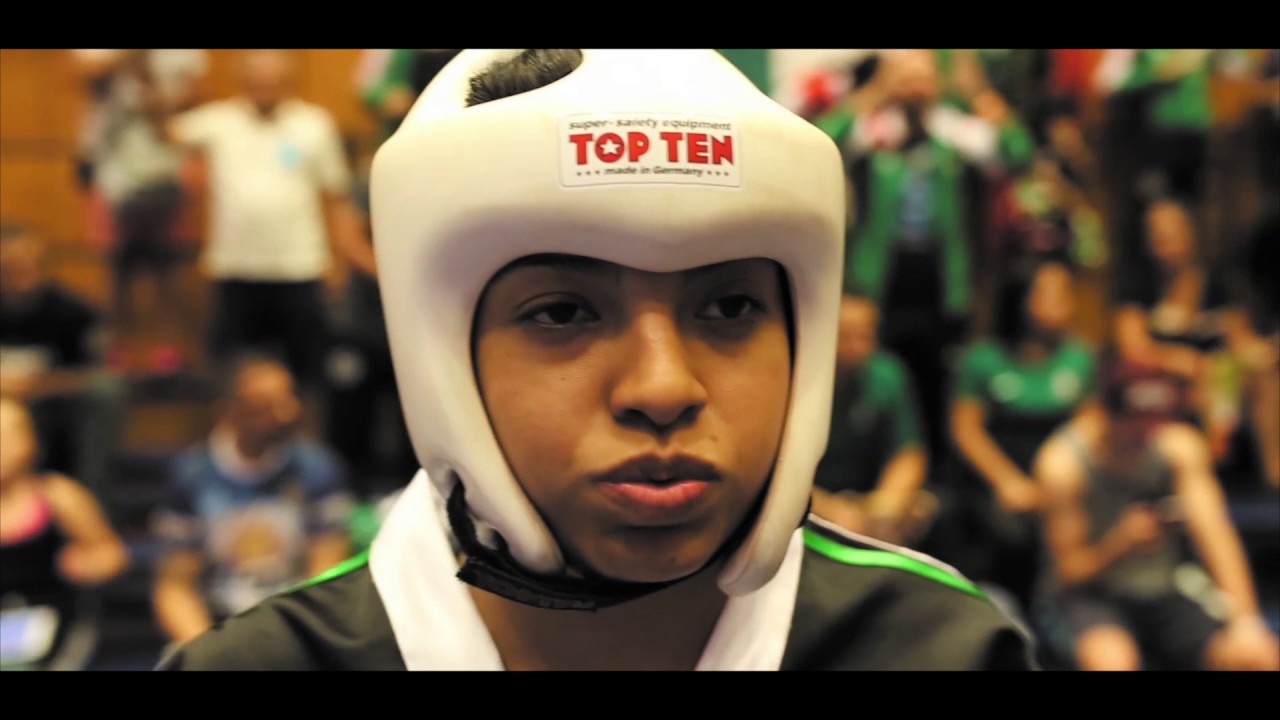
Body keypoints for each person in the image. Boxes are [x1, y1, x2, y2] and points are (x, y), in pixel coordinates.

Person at [156, 49, 1036, 671]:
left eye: (731, 308)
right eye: (563, 313)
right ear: (439, 353)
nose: (663, 388)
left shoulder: (943, 650)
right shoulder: (263, 665)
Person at [150, 50, 376, 416]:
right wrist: (160, 82)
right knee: (231, 371)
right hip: (236, 268)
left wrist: (337, 264)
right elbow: (164, 133)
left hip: (299, 267)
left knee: (308, 373)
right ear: (243, 81)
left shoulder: (313, 125)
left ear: (287, 81)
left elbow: (336, 197)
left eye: (272, 80)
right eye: (257, 80)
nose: (265, 87)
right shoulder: (218, 122)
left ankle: (303, 445)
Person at [1033, 356, 1280, 671]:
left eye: (1154, 423)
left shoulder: (1177, 447)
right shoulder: (1063, 465)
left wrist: (1245, 621)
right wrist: (1121, 544)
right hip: (1089, 595)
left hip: (1164, 587)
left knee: (1257, 657)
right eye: (1135, 424)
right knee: (1112, 663)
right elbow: (1068, 573)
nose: (1145, 435)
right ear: (1104, 413)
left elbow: (1216, 535)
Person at [150, 356, 354, 646]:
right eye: (267, 406)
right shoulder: (192, 475)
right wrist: (210, 652)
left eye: (290, 399)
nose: (288, 413)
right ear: (229, 411)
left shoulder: (317, 469)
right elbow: (175, 586)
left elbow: (326, 574)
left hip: (295, 624)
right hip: (217, 624)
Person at [949, 259, 1096, 613]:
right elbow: (966, 429)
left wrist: (1055, 486)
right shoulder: (983, 359)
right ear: (1020, 299)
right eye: (1049, 294)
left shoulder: (1080, 358)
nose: (1063, 304)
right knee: (1007, 533)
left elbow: (1089, 427)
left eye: (1066, 294)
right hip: (998, 480)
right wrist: (1007, 481)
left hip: (1061, 480)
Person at [0, 396, 129, 670]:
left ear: (30, 441)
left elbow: (112, 553)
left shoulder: (58, 494)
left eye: (6, 436)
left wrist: (88, 563)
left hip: (50, 625)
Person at [0, 224, 128, 496]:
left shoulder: (73, 313)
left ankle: (90, 495)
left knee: (106, 391)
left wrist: (36, 386)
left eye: (26, 265)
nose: (18, 275)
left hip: (55, 407)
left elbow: (95, 373)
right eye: (9, 267)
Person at [811, 293, 933, 547]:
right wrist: (829, 510)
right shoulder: (797, 378)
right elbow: (774, 469)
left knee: (921, 508)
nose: (857, 347)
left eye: (865, 336)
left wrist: (885, 504)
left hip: (866, 498)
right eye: (845, 336)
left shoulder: (888, 374)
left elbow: (909, 453)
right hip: (811, 498)